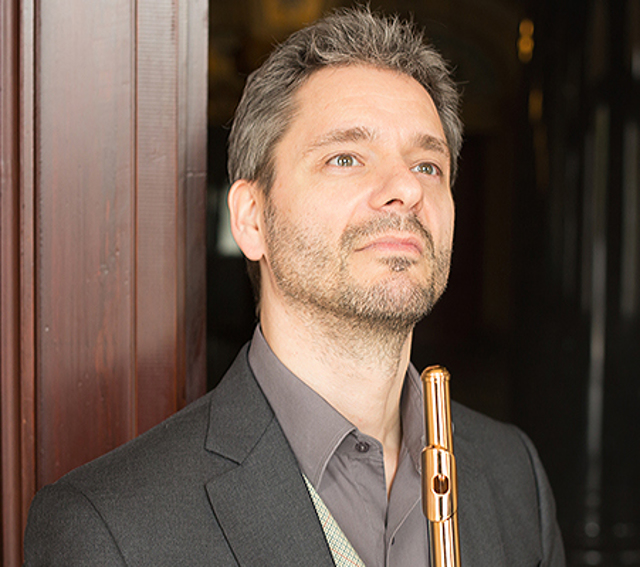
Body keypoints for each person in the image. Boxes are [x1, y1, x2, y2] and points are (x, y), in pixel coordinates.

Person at [24, 7, 565, 566]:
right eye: (345, 158)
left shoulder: (514, 475)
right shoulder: (110, 529)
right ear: (252, 219)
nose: (405, 187)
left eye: (428, 165)